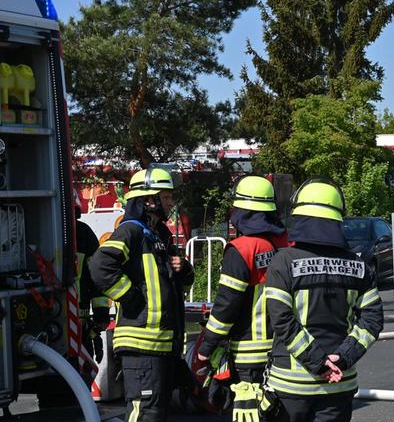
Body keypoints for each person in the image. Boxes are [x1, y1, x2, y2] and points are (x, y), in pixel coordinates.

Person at [262, 180, 383, 421]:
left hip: (292, 385)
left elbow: (282, 321)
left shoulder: (283, 262)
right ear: (338, 219)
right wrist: (343, 356)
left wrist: (318, 362)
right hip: (340, 383)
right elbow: (372, 320)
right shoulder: (358, 266)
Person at [90, 167, 195, 422]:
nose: (170, 202)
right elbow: (99, 265)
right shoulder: (132, 231)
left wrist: (184, 268)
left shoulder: (159, 236)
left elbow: (180, 281)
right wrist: (131, 297)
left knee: (156, 413)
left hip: (161, 344)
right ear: (149, 200)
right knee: (144, 414)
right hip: (141, 345)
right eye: (166, 197)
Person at [194, 176, 289, 421]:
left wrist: (206, 349)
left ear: (243, 212)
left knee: (250, 414)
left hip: (250, 356)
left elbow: (226, 307)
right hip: (287, 351)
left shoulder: (242, 249)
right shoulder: (289, 245)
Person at [74, 191, 110, 364]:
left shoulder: (83, 234)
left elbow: (96, 276)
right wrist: (101, 315)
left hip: (80, 323)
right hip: (79, 322)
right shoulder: (84, 233)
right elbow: (98, 277)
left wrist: (101, 316)